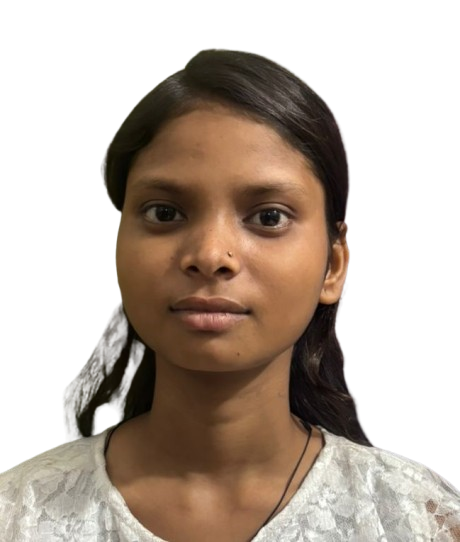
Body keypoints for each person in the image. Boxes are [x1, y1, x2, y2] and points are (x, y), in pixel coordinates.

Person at [1, 48, 459, 541]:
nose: (210, 254)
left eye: (268, 217)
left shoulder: (419, 520)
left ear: (333, 265)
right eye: (164, 213)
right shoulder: (18, 514)